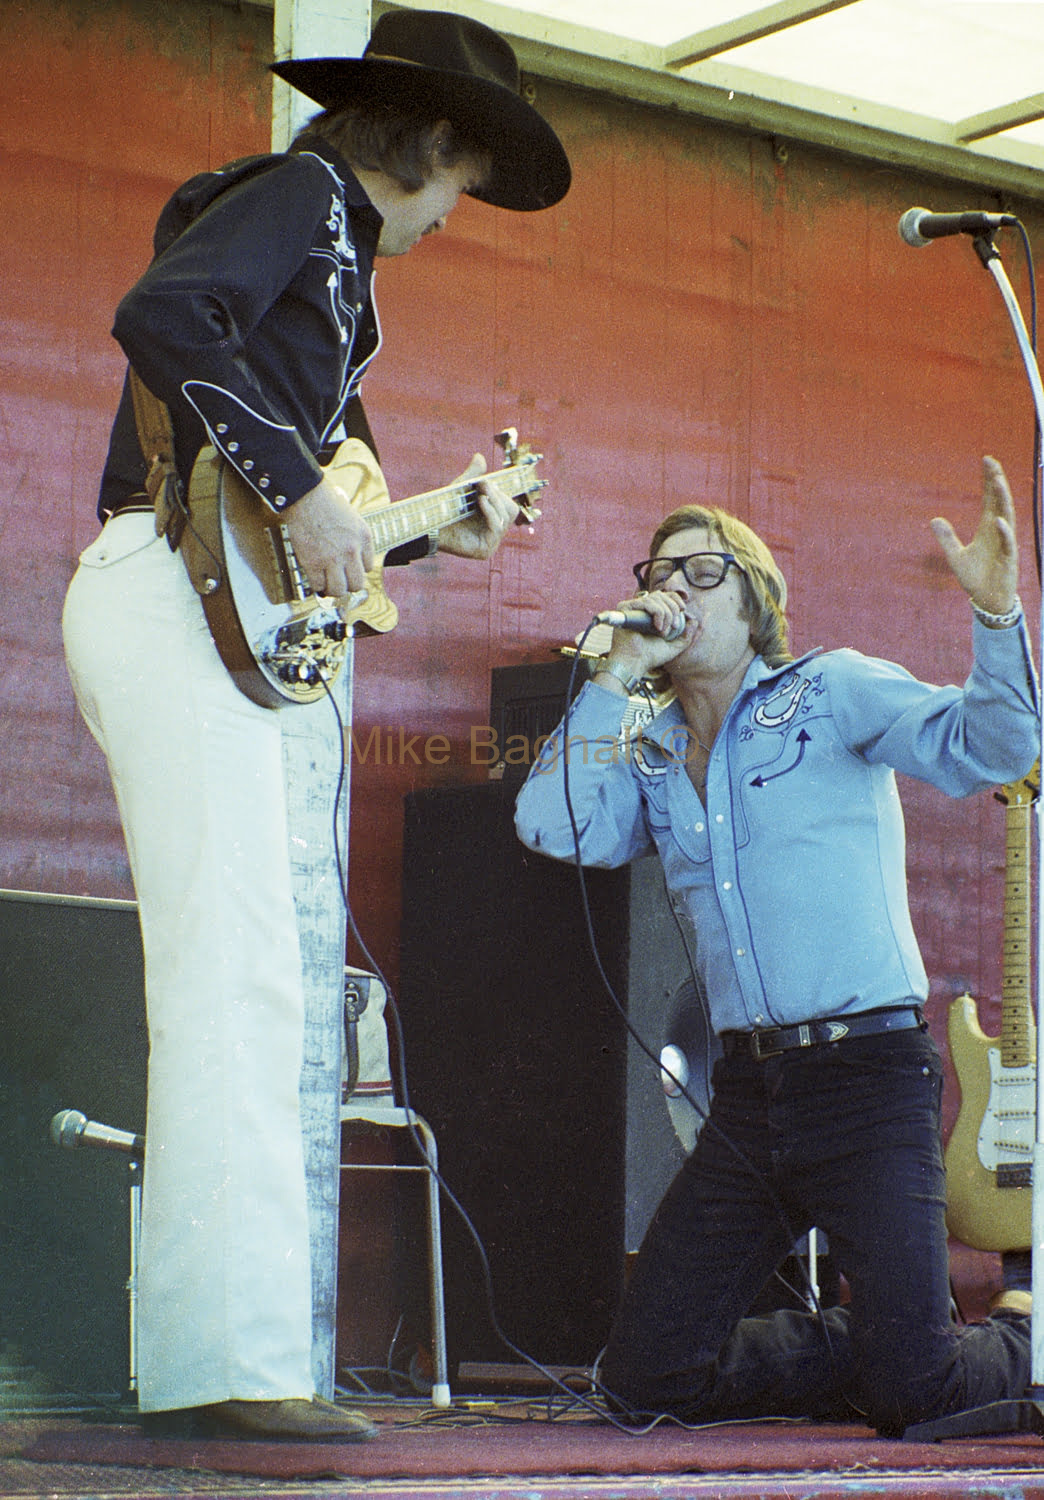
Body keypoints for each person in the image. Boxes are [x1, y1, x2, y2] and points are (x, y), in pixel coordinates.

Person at [62, 10, 569, 1442]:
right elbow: (164, 320)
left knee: (259, 983)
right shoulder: (299, 200)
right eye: (468, 177)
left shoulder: (327, 249)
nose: (458, 212)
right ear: (435, 141)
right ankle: (230, 1367)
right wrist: (301, 486)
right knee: (241, 981)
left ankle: (223, 1356)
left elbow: (297, 539)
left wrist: (416, 532)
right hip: (167, 586)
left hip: (197, 590)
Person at [514, 456, 1039, 1436]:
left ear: (757, 602)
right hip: (751, 1101)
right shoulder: (653, 752)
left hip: (868, 1082)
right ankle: (853, 1343)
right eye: (657, 573)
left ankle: (1017, 1339)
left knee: (913, 1397)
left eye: (700, 571)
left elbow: (999, 750)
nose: (671, 589)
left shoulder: (830, 690)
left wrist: (999, 612)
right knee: (643, 1385)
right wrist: (610, 679)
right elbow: (553, 830)